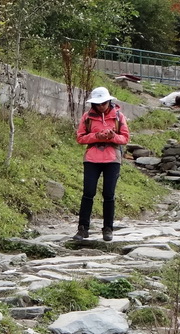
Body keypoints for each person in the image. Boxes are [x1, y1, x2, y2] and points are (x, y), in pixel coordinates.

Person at [73, 86, 130, 242]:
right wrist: (96, 136)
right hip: (92, 159)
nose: (100, 107)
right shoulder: (87, 117)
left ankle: (108, 229)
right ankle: (83, 229)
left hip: (112, 159)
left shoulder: (119, 116)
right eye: (97, 104)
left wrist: (112, 137)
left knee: (109, 194)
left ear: (109, 101)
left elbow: (125, 138)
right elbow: (80, 138)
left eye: (103, 103)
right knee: (88, 193)